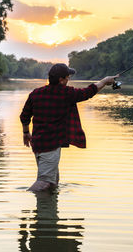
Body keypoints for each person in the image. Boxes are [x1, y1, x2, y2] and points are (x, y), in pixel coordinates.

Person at [20, 63, 118, 192]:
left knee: (53, 181)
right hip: (50, 145)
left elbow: (24, 116)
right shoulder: (66, 93)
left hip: (38, 144)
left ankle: (47, 209)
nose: (68, 80)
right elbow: (88, 92)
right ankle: (26, 196)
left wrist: (26, 132)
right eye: (67, 77)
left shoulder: (36, 93)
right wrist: (105, 81)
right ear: (61, 80)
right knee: (44, 182)